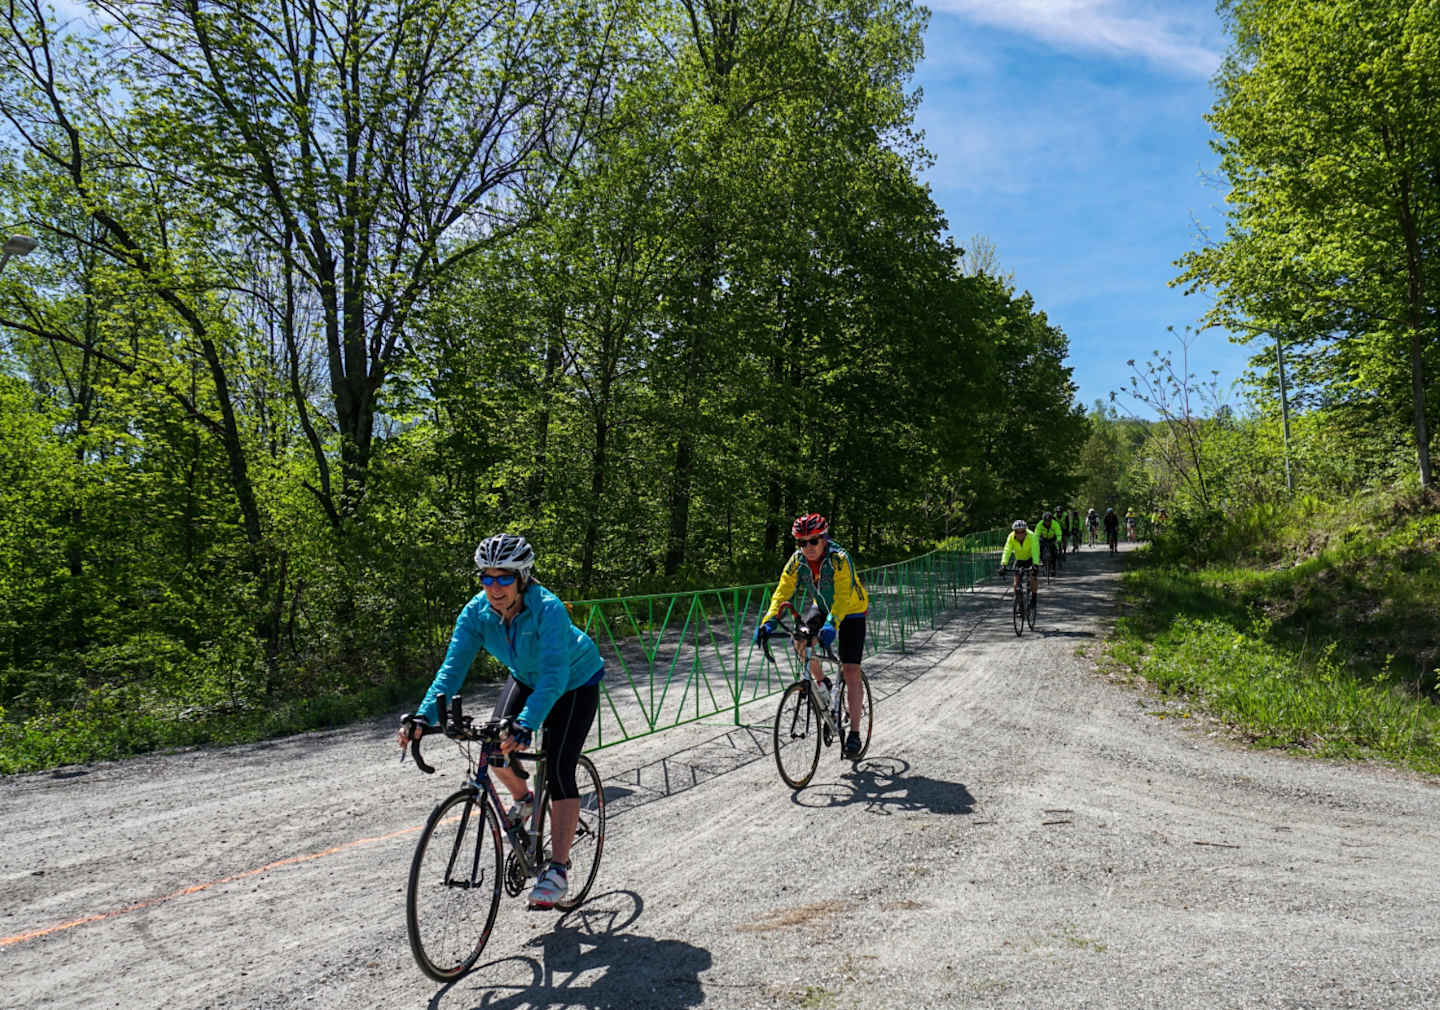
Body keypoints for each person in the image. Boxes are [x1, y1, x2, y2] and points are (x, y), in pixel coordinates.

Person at [397, 534, 604, 910]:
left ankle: (557, 869)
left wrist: (526, 723)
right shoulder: (475, 613)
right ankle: (524, 799)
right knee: (494, 748)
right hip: (525, 676)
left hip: (573, 680)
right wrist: (423, 718)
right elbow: (451, 671)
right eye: (486, 578)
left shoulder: (548, 608)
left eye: (503, 578)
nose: (494, 588)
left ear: (522, 578)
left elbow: (555, 676)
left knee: (558, 769)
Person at [753, 513, 870, 758]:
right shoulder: (797, 561)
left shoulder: (840, 559)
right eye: (801, 542)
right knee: (800, 640)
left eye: (813, 541)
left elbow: (843, 596)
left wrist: (832, 625)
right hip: (823, 607)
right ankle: (824, 685)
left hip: (851, 611)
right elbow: (782, 592)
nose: (808, 547)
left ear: (824, 539)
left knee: (850, 670)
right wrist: (768, 621)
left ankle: (855, 734)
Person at [1000, 519, 1040, 602]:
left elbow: (1035, 550)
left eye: (1022, 532)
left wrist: (1035, 564)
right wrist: (1003, 564)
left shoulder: (1032, 536)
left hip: (1030, 559)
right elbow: (1007, 550)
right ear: (1014, 532)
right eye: (1017, 532)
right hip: (1019, 559)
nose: (1020, 534)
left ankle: (1034, 597)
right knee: (1016, 583)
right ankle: (1019, 603)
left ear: (1025, 531)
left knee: (1033, 578)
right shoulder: (1011, 537)